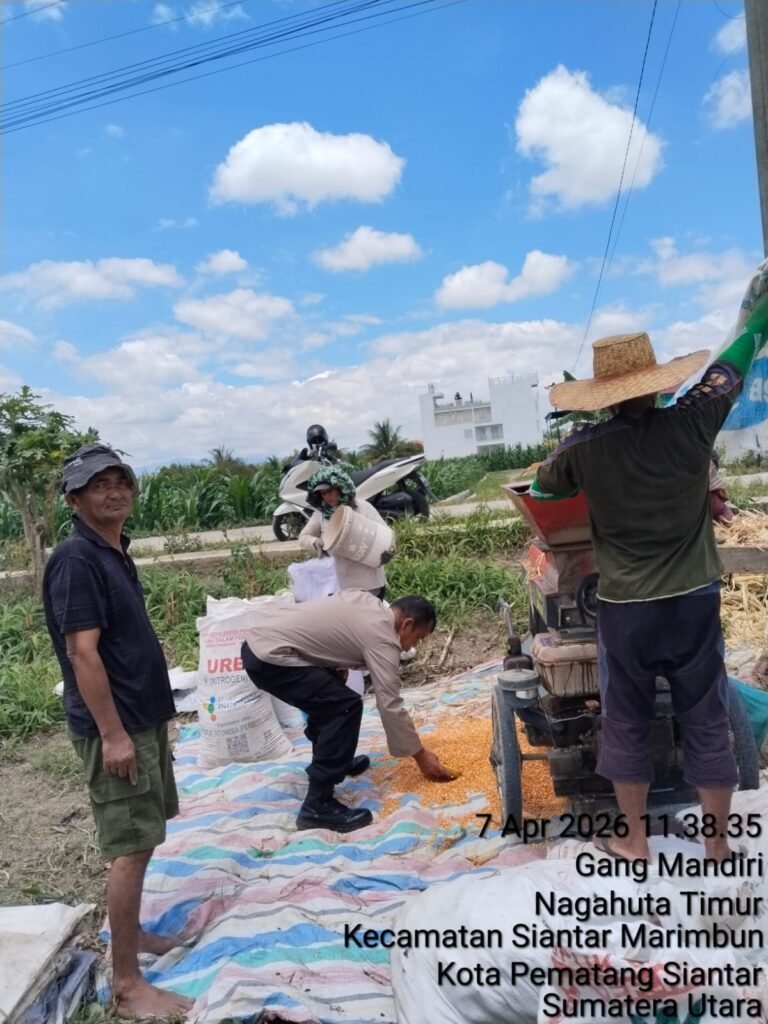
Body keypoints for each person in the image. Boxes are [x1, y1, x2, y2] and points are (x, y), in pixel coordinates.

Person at [531, 314, 765, 863]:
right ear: (658, 383)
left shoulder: (585, 447)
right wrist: (760, 311)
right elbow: (735, 362)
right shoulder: (694, 420)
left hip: (625, 609)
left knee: (626, 718)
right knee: (706, 715)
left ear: (602, 396)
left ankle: (633, 842)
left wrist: (579, 453)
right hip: (694, 601)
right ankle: (717, 844)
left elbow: (542, 487)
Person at [42, 444, 193, 1020]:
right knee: (129, 846)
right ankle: (128, 984)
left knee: (145, 834)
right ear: (74, 499)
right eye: (98, 484)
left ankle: (131, 937)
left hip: (140, 716)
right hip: (118, 726)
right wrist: (113, 735)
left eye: (120, 480)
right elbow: (83, 655)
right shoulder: (76, 559)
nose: (114, 491)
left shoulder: (112, 549)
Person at [240, 591, 455, 832]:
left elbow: (329, 628)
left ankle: (337, 758)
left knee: (332, 696)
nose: (413, 646)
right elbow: (390, 704)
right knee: (343, 707)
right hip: (272, 660)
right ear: (407, 624)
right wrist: (421, 756)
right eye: (417, 638)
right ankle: (317, 804)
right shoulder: (383, 637)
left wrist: (333, 665)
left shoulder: (366, 601)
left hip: (258, 644)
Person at [299, 466, 391, 599]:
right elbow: (303, 537)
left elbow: (385, 532)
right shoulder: (321, 514)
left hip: (370, 582)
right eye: (323, 493)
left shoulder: (363, 507)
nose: (327, 496)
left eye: (330, 491)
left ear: (341, 488)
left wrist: (387, 550)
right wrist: (315, 542)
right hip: (341, 584)